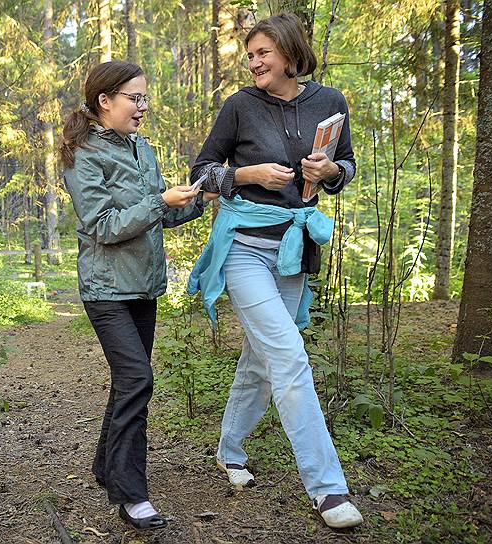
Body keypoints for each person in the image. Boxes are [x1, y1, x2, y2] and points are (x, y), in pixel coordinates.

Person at [187, 13, 364, 529]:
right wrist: (246, 174)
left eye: (263, 52)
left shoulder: (330, 103)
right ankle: (329, 490)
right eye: (250, 55)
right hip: (243, 249)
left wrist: (331, 171)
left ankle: (230, 450)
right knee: (288, 358)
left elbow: (346, 165)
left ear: (289, 53)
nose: (255, 61)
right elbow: (200, 173)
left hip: (294, 249)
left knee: (262, 361)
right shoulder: (240, 106)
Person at [60, 60, 211, 530]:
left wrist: (199, 201)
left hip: (143, 287)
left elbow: (159, 217)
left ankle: (106, 467)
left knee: (129, 381)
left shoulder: (143, 149)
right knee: (137, 379)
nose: (143, 107)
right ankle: (130, 493)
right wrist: (157, 202)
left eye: (145, 97)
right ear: (105, 101)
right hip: (106, 290)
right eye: (135, 98)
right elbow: (103, 225)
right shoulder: (84, 155)